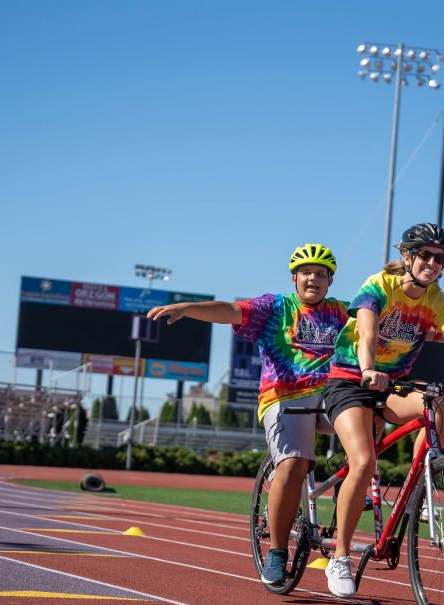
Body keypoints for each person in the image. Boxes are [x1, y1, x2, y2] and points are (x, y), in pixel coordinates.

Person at [147, 243, 348, 586]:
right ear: (294, 278)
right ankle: (278, 552)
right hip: (285, 395)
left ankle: (346, 538)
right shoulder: (275, 306)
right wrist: (186, 308)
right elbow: (229, 309)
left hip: (331, 397)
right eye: (306, 272)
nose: (313, 278)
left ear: (330, 281)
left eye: (321, 273)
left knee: (369, 435)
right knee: (294, 463)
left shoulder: (344, 312)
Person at [321, 223, 444, 598]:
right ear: (407, 257)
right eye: (425, 255)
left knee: (439, 403)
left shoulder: (437, 300)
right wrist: (369, 369)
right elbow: (367, 332)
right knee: (363, 462)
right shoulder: (379, 286)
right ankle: (340, 557)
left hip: (394, 384)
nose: (433, 263)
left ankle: (421, 485)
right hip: (351, 380)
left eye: (441, 258)